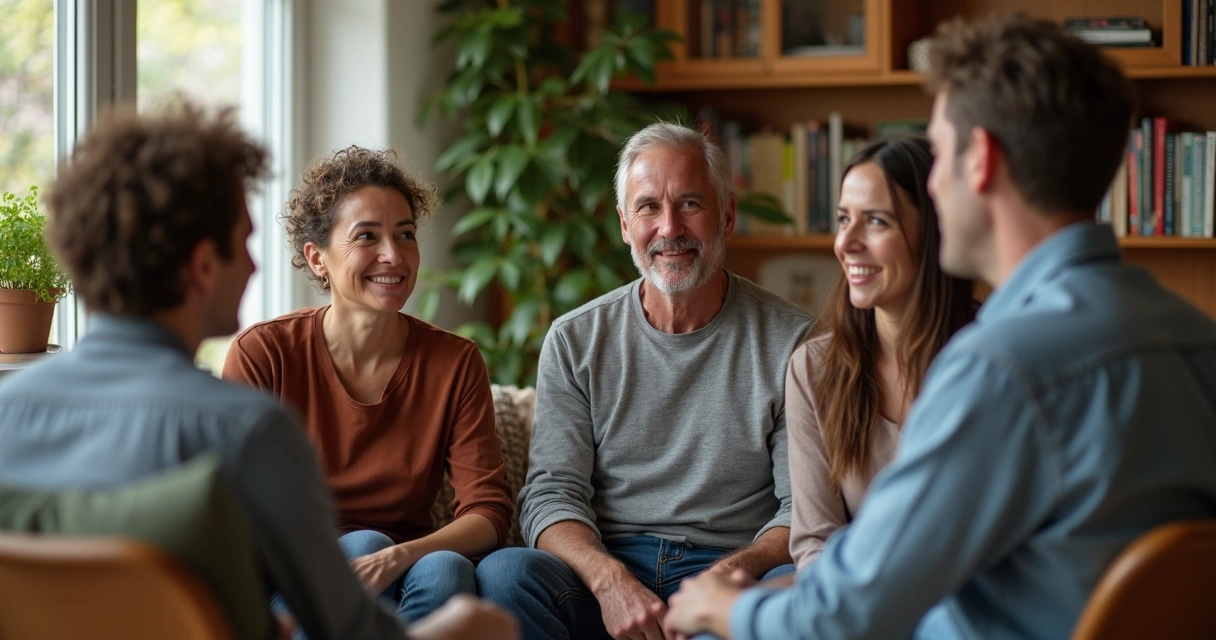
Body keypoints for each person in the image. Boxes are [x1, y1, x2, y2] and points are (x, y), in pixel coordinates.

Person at [664, 13, 1216, 640]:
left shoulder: (1001, 370)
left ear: (980, 159)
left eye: (941, 151)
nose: (933, 181)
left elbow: (847, 614)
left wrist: (720, 607)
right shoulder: (1198, 340)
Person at [0, 102, 518, 640]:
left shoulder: (7, 415)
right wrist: (459, 631)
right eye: (244, 243)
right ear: (204, 265)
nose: (253, 266)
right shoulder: (245, 428)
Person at [475, 121, 814, 640]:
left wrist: (724, 578)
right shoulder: (575, 339)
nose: (669, 227)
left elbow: (803, 508)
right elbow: (551, 495)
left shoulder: (795, 343)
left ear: (727, 214)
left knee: (800, 587)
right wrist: (609, 580)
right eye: (648, 207)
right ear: (623, 224)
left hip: (734, 564)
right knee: (505, 574)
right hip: (607, 564)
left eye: (691, 204)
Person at [223, 146, 513, 625]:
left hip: (413, 573)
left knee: (443, 567)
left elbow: (487, 511)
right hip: (293, 587)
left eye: (405, 234)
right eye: (367, 236)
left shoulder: (455, 362)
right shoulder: (265, 354)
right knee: (365, 542)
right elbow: (235, 512)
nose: (393, 256)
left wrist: (399, 556)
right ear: (318, 258)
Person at [786, 136, 975, 571]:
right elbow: (816, 542)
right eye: (842, 219)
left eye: (875, 221)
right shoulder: (814, 369)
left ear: (934, 232)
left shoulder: (992, 360)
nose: (846, 243)